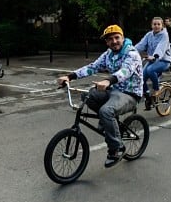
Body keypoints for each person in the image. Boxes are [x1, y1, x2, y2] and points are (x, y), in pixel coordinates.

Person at [56, 25, 143, 167]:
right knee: (88, 97)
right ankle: (109, 122)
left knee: (106, 111)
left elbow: (125, 72)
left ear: (122, 37)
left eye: (117, 38)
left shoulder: (132, 53)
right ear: (107, 42)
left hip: (130, 93)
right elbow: (92, 67)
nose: (114, 41)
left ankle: (116, 149)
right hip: (113, 90)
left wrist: (108, 81)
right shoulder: (108, 54)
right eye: (110, 39)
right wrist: (69, 76)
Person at [134, 17, 171, 108]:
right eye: (154, 24)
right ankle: (148, 97)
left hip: (164, 60)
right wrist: (130, 51)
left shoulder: (164, 35)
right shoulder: (149, 35)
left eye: (158, 24)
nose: (156, 26)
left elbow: (161, 48)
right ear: (151, 25)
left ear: (162, 25)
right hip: (152, 60)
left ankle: (156, 89)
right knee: (140, 77)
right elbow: (141, 45)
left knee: (150, 70)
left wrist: (155, 56)